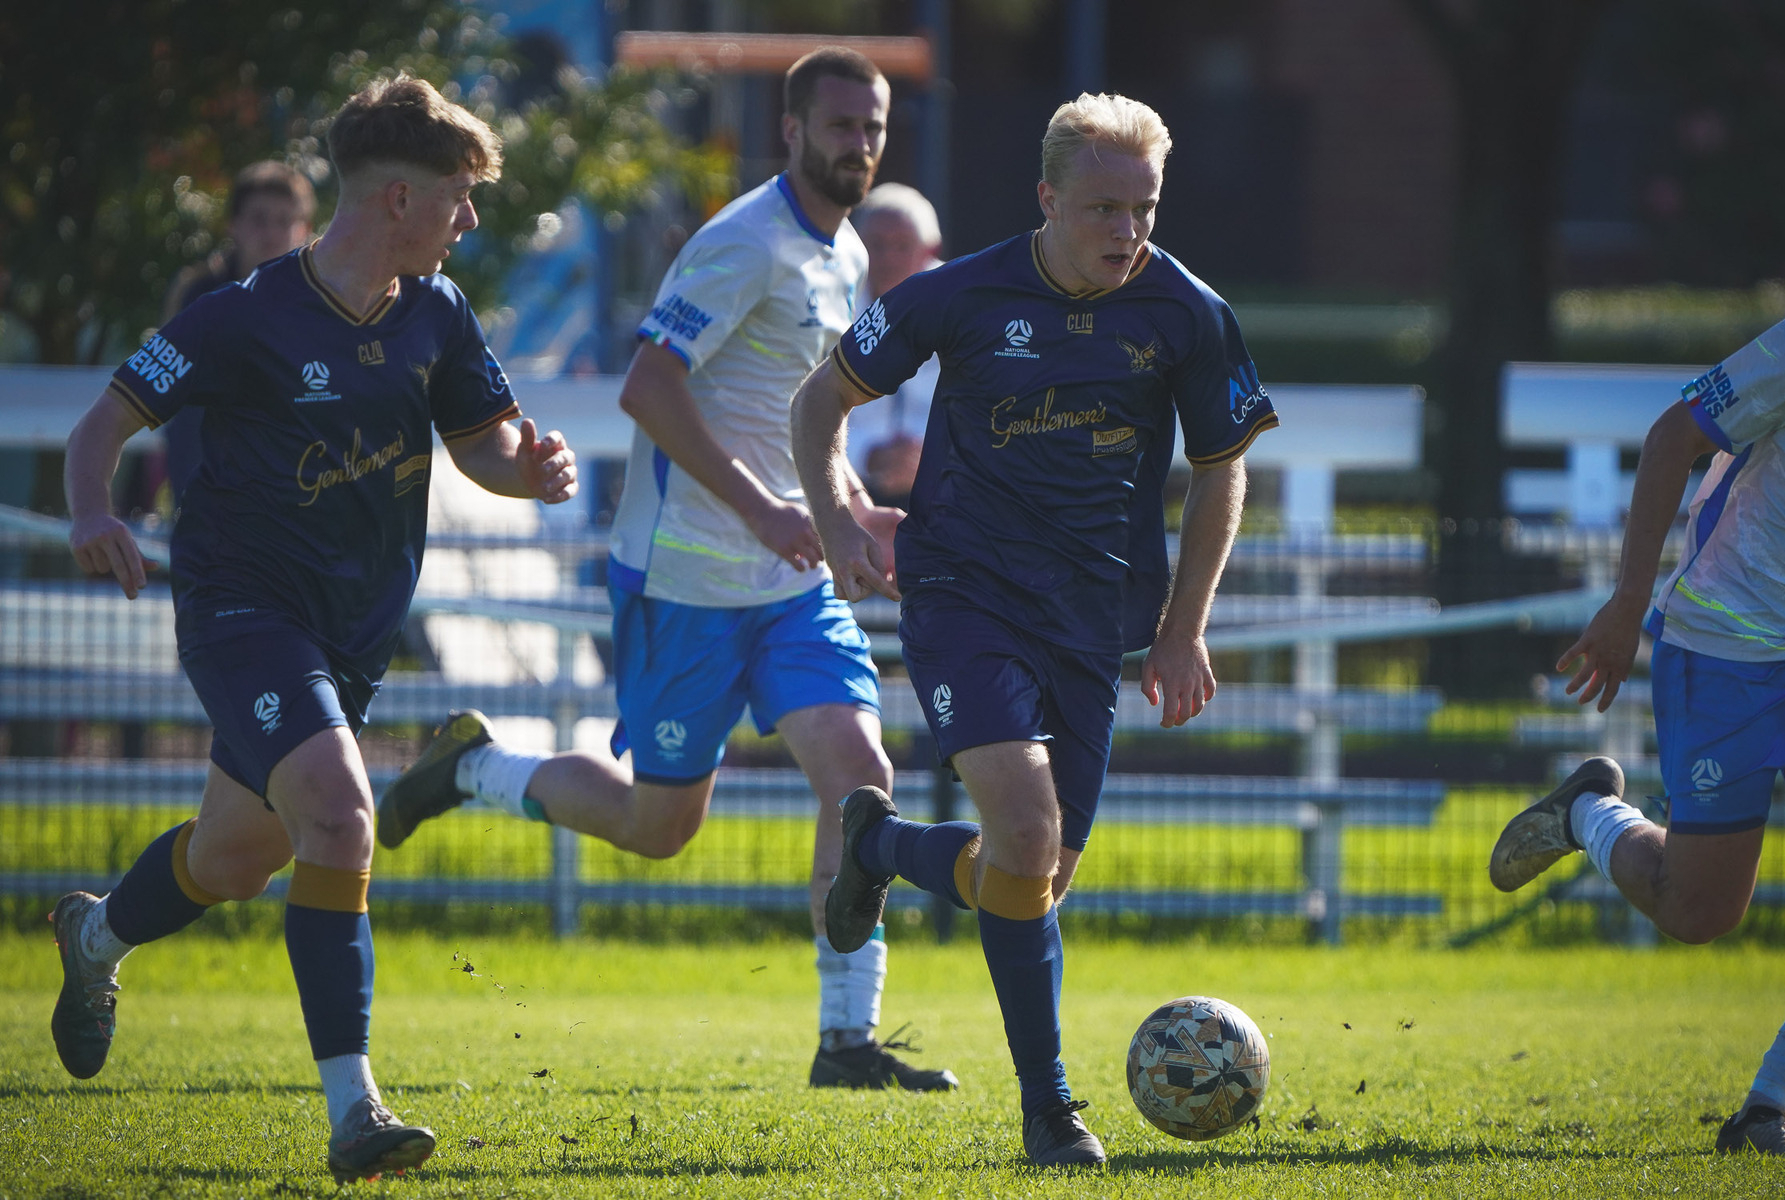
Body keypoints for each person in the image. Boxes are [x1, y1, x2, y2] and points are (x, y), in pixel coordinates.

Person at [376, 47, 957, 1094]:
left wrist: (846, 505)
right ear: (791, 130)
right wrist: (766, 507)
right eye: (839, 126)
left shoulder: (847, 259)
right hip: (683, 586)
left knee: (860, 780)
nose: (858, 145)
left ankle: (845, 1040)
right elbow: (648, 386)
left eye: (872, 127)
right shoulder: (742, 244)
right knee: (658, 828)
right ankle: (471, 769)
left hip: (790, 587)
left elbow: (806, 419)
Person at [53, 75, 578, 1184]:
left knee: (235, 858)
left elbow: (481, 442)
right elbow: (102, 421)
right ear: (396, 196)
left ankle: (96, 935)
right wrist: (94, 511)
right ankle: (356, 1113)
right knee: (342, 818)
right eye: (460, 197)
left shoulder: (437, 312)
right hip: (242, 611)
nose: (470, 219)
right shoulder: (244, 314)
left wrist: (526, 474)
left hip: (350, 639)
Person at [791, 92, 1277, 1166]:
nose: (1124, 231)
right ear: (1046, 198)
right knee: (1021, 830)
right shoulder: (952, 296)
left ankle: (876, 845)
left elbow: (1217, 470)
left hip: (1092, 618)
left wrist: (1181, 628)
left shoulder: (1187, 313)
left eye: (1141, 208)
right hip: (962, 592)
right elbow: (815, 407)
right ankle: (1049, 1113)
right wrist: (836, 520)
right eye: (1101, 207)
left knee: (1034, 876)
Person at [1490, 311, 1785, 1156]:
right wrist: (1626, 604)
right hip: (1726, 644)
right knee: (1697, 909)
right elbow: (1672, 438)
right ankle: (1590, 811)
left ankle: (1765, 1107)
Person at [159, 161, 318, 506]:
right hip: (207, 493)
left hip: (297, 500)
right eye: (259, 219)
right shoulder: (198, 294)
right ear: (234, 225)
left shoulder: (327, 304)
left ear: (305, 230)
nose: (272, 234)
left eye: (284, 221)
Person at [845, 183, 942, 505]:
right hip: (851, 488)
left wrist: (930, 456)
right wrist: (868, 456)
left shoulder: (963, 309)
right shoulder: (834, 309)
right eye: (876, 244)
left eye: (902, 245)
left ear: (929, 250)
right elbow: (812, 407)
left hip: (945, 486)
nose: (888, 257)